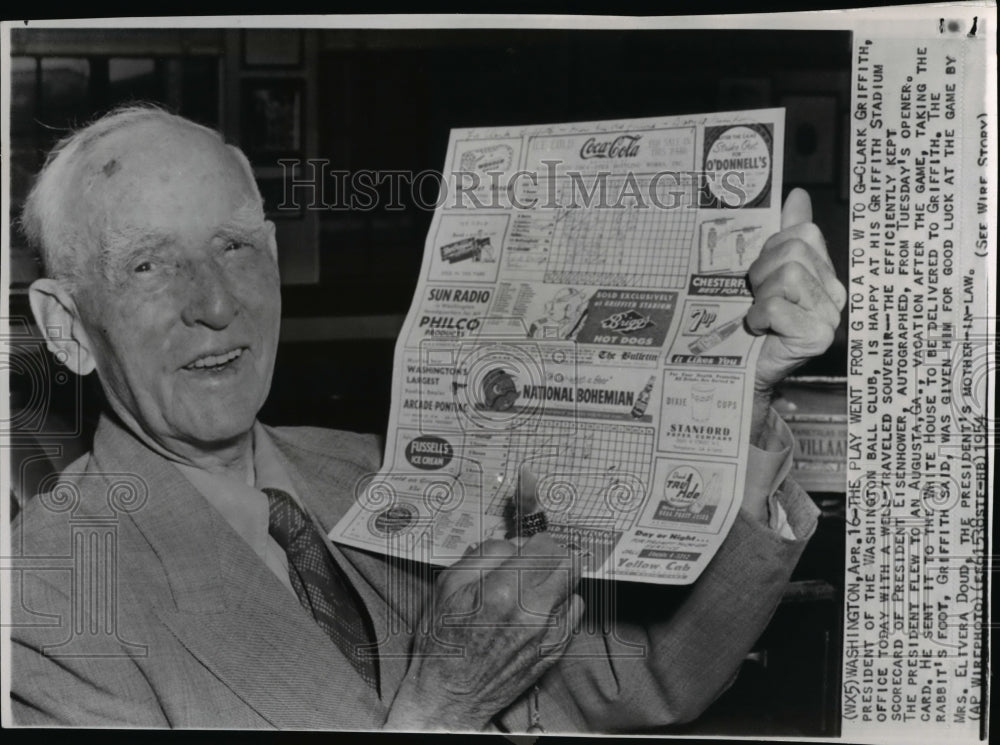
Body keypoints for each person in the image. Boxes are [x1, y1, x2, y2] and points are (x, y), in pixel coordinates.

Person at [9, 106, 845, 731]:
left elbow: (635, 678)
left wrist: (739, 383)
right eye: (151, 265)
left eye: (234, 246)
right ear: (66, 328)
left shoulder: (380, 468)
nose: (219, 304)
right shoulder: (43, 602)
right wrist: (440, 709)